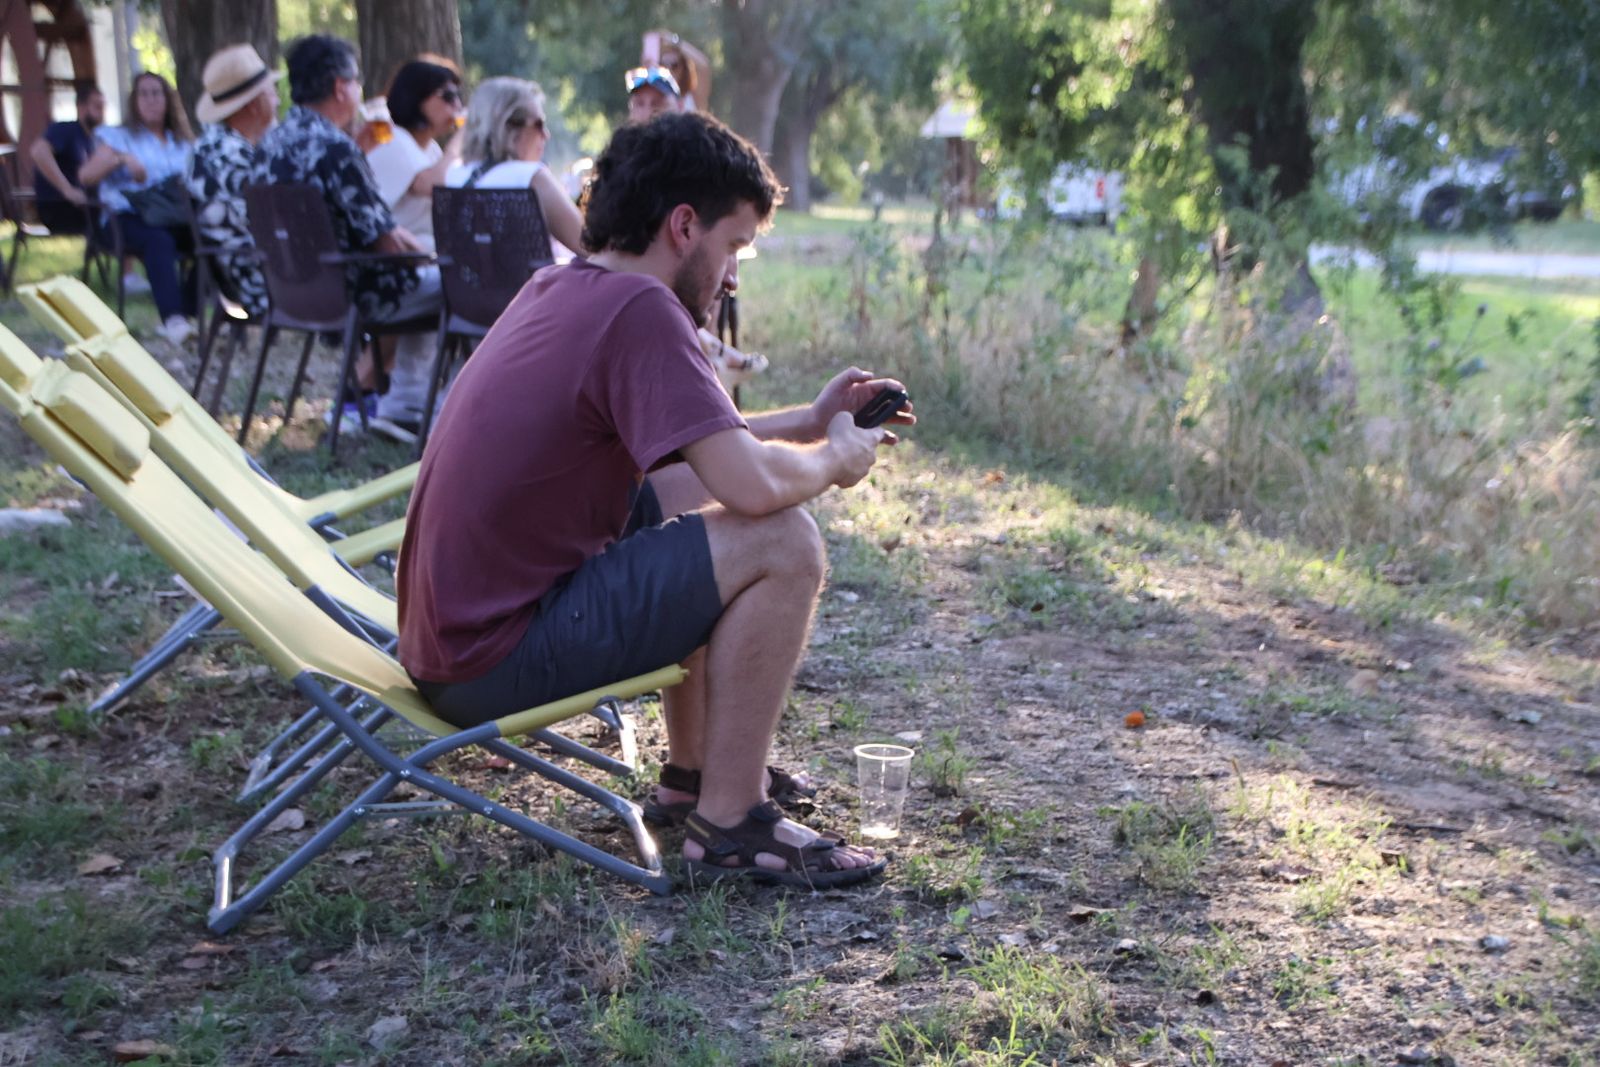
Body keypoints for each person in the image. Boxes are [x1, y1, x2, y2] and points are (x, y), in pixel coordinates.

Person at [398, 112, 914, 888]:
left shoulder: (570, 285)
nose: (734, 274)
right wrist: (838, 455)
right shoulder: (643, 313)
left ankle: (694, 772)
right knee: (783, 540)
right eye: (733, 245)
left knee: (682, 494)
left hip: (453, 640)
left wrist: (809, 422)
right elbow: (749, 483)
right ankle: (733, 822)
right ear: (683, 225)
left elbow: (707, 447)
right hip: (491, 655)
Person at [254, 34, 441, 442]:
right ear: (341, 87)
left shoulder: (269, 144)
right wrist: (432, 253)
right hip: (356, 292)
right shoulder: (335, 149)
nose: (359, 90)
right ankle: (408, 405)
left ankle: (401, 400)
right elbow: (386, 244)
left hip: (290, 292)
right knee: (459, 281)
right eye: (356, 81)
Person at [78, 72, 196, 344]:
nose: (151, 100)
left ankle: (191, 313)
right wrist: (120, 159)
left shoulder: (183, 144)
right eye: (143, 94)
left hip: (172, 215)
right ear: (134, 101)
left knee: (213, 236)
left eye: (157, 93)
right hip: (125, 216)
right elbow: (86, 176)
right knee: (159, 241)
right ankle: (173, 319)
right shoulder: (118, 138)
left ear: (168, 99)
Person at [187, 44, 281, 318]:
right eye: (272, 93)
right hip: (260, 285)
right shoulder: (232, 156)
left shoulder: (210, 146)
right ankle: (371, 361)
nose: (277, 102)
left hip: (234, 279)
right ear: (254, 105)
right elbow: (280, 220)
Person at [442, 76, 583, 254]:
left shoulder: (454, 174)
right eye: (538, 124)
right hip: (538, 282)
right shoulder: (531, 177)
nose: (546, 134)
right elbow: (588, 246)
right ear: (509, 127)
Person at [366, 57, 463, 253]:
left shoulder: (430, 148)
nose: (458, 105)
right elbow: (433, 186)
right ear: (417, 97)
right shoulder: (394, 141)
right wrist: (462, 139)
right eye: (448, 96)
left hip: (425, 253)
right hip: (398, 261)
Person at [27, 81, 103, 235]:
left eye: (103, 107)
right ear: (81, 108)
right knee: (112, 219)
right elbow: (38, 151)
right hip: (58, 207)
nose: (102, 112)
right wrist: (67, 190)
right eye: (97, 107)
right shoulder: (65, 130)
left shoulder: (93, 139)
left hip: (82, 206)